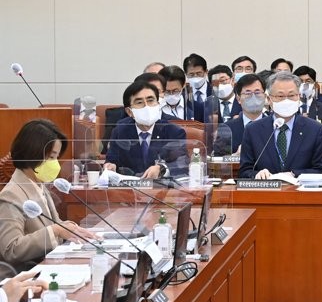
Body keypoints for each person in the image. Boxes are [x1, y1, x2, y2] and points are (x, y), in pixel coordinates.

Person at [0, 119, 100, 272]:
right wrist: (55, 231)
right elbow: (11, 250)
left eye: (57, 157)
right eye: (51, 157)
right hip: (26, 278)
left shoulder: (39, 185)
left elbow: (54, 225)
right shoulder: (10, 197)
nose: (56, 164)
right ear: (32, 153)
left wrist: (69, 228)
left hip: (49, 267)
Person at [238, 72, 322, 179]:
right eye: (280, 96)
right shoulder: (253, 130)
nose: (286, 100)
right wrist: (257, 175)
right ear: (269, 99)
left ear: (299, 97)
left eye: (291, 95)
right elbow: (244, 171)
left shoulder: (315, 130)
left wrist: (294, 174)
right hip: (266, 192)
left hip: (301, 193)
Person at [105, 81, 187, 178]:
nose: (147, 106)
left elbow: (182, 164)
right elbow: (112, 160)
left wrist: (162, 169)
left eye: (151, 100)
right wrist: (110, 166)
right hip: (130, 189)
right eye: (139, 102)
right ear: (129, 112)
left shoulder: (173, 132)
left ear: (158, 104)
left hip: (162, 189)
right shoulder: (120, 131)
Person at [212, 73, 268, 156]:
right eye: (248, 93)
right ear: (238, 99)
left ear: (265, 96)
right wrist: (235, 157)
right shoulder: (226, 129)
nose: (253, 97)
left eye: (257, 92)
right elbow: (219, 162)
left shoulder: (275, 125)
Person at [294, 66, 322, 131]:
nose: (304, 85)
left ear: (315, 84)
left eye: (308, 81)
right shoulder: (288, 108)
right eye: (300, 81)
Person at [183, 53, 213, 122]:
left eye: (199, 73)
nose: (195, 77)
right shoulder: (183, 94)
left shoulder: (215, 92)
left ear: (206, 72)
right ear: (186, 74)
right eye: (191, 74)